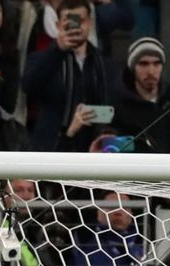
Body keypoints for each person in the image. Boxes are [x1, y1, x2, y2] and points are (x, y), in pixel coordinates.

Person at [22, 0, 111, 153]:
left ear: (89, 23)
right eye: (68, 22)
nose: (75, 27)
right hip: (52, 149)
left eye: (80, 21)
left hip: (91, 151)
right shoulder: (45, 58)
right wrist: (57, 49)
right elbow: (28, 86)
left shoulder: (102, 63)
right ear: (58, 26)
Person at [111, 37, 170, 154]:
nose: (151, 71)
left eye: (157, 63)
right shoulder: (118, 107)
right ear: (133, 68)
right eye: (143, 64)